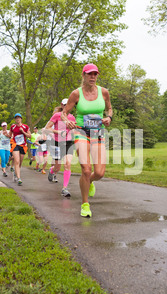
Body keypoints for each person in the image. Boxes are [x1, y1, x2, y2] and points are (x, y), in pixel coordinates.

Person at [62, 63, 113, 218]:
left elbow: (110, 108)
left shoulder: (104, 92)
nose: (93, 77)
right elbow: (64, 112)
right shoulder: (76, 94)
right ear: (83, 75)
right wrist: (67, 121)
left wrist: (109, 117)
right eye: (89, 74)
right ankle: (85, 204)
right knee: (86, 168)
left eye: (95, 74)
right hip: (81, 131)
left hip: (97, 132)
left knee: (99, 172)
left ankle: (89, 181)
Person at [45, 99, 76, 197]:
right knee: (57, 167)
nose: (67, 106)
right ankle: (52, 170)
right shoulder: (57, 115)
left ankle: (64, 188)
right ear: (62, 105)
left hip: (68, 143)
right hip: (57, 142)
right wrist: (58, 132)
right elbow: (47, 128)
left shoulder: (72, 117)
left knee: (67, 164)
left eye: (69, 105)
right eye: (65, 105)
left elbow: (73, 130)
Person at [10, 113, 31, 185]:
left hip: (23, 146)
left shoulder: (25, 127)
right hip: (15, 145)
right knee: (17, 161)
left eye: (19, 117)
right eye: (16, 118)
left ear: (21, 119)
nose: (17, 119)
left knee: (20, 162)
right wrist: (7, 135)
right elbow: (10, 135)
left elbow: (29, 136)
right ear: (15, 119)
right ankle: (19, 178)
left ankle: (16, 173)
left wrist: (23, 132)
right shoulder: (13, 127)